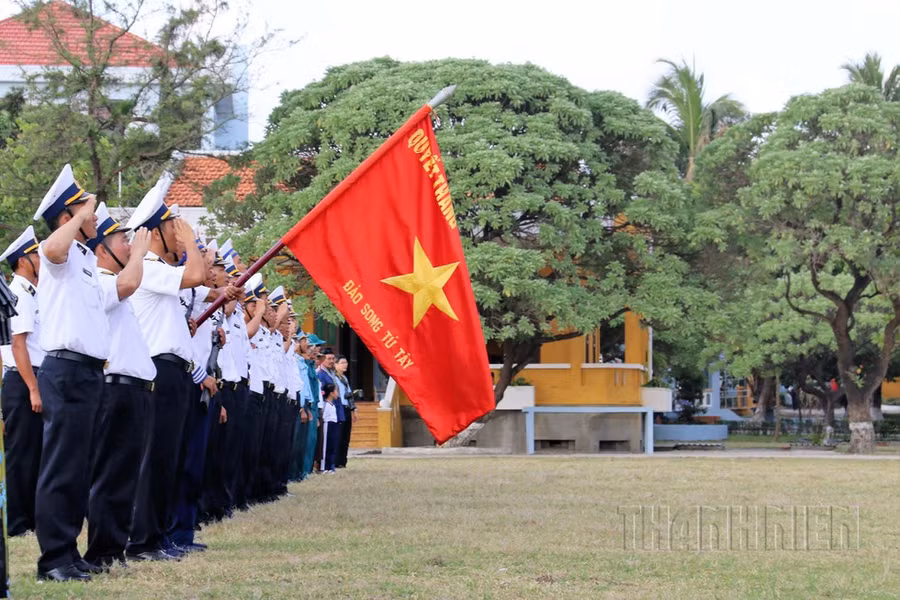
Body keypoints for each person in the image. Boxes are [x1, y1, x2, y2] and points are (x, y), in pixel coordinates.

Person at [32, 164, 110, 582]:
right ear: (68, 216)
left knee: (80, 468)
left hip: (89, 373)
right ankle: (53, 560)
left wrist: (82, 216)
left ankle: (70, 551)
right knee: (62, 466)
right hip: (64, 370)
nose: (95, 217)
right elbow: (52, 249)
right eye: (87, 211)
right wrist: (80, 215)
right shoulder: (58, 250)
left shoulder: (84, 257)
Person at [125, 174, 208, 562]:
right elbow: (196, 274)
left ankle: (157, 537)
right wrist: (190, 240)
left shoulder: (159, 268)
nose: (178, 233)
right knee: (155, 457)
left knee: (167, 457)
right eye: (172, 226)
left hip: (173, 370)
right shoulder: (150, 266)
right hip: (158, 370)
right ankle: (142, 541)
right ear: (156, 231)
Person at [82, 204, 154, 569]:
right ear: (101, 250)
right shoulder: (100, 280)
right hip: (115, 390)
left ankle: (114, 548)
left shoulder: (114, 284)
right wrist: (141, 255)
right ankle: (100, 552)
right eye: (122, 241)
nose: (129, 245)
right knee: (110, 473)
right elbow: (128, 284)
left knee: (125, 474)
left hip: (134, 390)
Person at [0, 226, 44, 538]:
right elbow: (19, 345)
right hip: (22, 381)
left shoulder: (34, 291)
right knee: (22, 454)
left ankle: (31, 517)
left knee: (37, 453)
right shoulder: (19, 292)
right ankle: (17, 522)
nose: (41, 258)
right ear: (24, 261)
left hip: (34, 378)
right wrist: (33, 388)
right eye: (36, 254)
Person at [334, 355, 358, 468]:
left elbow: (349, 395)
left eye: (346, 362)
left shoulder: (344, 378)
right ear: (336, 364)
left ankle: (343, 461)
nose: (345, 365)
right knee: (338, 434)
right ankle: (336, 460)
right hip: (339, 408)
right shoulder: (334, 377)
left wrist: (354, 409)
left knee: (345, 436)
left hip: (347, 408)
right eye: (342, 362)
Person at [319, 383, 340, 473]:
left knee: (332, 446)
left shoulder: (333, 405)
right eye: (336, 391)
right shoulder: (326, 405)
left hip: (334, 425)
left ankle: (330, 466)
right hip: (328, 425)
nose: (337, 393)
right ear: (331, 393)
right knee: (325, 447)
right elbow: (323, 417)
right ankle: (324, 467)